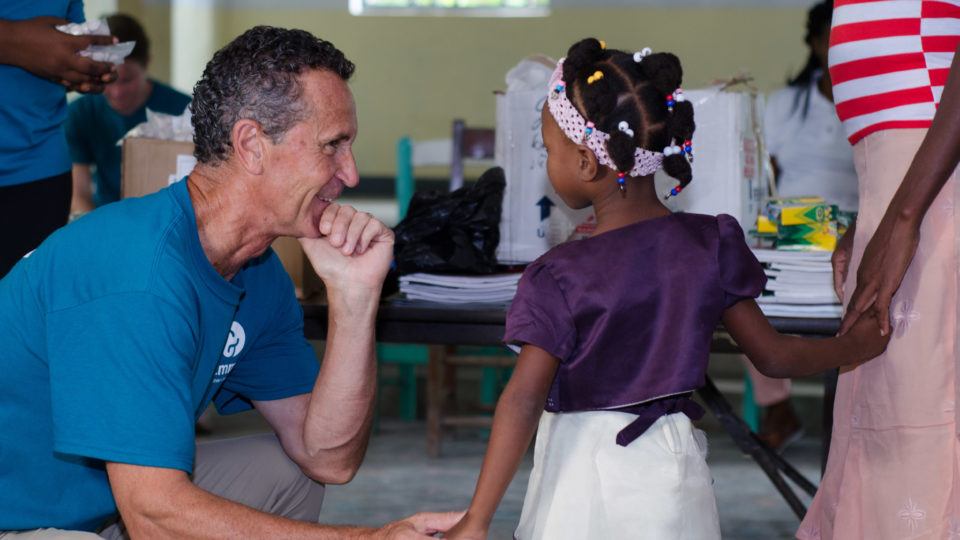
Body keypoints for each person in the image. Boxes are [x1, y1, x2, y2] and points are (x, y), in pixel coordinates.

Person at [0, 26, 459, 539]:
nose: (350, 174)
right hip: (22, 519)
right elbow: (153, 518)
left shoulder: (255, 269)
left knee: (288, 475)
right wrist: (367, 538)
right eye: (333, 146)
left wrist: (355, 299)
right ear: (252, 145)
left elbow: (329, 458)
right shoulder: (138, 271)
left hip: (106, 502)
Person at [443, 38, 889, 540]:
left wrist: (476, 519)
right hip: (673, 466)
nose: (547, 163)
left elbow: (523, 399)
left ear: (589, 164)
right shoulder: (710, 244)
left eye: (549, 150)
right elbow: (776, 358)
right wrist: (857, 344)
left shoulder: (560, 274)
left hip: (585, 475)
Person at [798, 2, 960, 538]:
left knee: (918, 420)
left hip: (933, 174)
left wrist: (904, 216)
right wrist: (877, 211)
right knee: (882, 414)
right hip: (907, 175)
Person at [745, 0, 858, 451]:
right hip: (793, 236)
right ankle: (778, 406)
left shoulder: (870, 102)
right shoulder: (786, 104)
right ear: (815, 43)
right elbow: (763, 176)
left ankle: (844, 423)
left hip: (855, 236)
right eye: (832, 38)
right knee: (746, 290)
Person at [0, 1, 117, 278]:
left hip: (41, 170)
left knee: (25, 312)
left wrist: (82, 65)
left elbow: (69, 33)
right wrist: (14, 42)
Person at [64, 13, 191, 214]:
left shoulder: (185, 112)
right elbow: (78, 194)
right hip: (107, 216)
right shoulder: (80, 114)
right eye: (108, 79)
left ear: (147, 64)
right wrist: (96, 234)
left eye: (127, 80)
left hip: (167, 218)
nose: (117, 92)